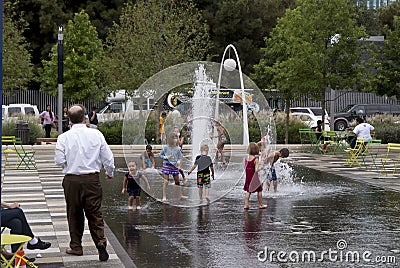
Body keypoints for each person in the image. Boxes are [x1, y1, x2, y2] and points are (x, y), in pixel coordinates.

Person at [54, 104, 115, 262]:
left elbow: (59, 161)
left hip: (72, 180)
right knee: (95, 213)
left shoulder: (63, 138)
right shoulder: (96, 134)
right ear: (85, 117)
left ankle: (76, 246)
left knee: (74, 213)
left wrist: (70, 164)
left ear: (69, 119)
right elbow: (108, 157)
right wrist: (109, 173)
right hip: (92, 179)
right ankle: (100, 243)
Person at [159, 132, 187, 202]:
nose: (175, 140)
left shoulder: (178, 149)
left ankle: (180, 195)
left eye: (176, 138)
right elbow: (160, 155)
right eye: (173, 138)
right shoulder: (166, 148)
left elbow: (180, 157)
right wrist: (166, 157)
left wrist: (178, 161)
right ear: (170, 140)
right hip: (167, 165)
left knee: (177, 182)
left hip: (174, 166)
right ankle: (164, 196)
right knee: (166, 181)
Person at [244, 142, 267, 209]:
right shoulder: (255, 159)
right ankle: (260, 205)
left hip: (248, 177)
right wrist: (261, 167)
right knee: (259, 190)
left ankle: (246, 205)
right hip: (254, 177)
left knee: (248, 191)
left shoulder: (246, 159)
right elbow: (256, 170)